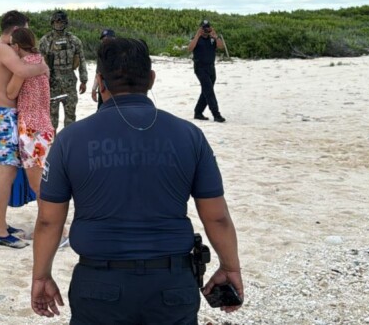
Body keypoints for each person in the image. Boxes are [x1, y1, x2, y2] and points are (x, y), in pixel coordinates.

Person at [31, 37, 243, 323]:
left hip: (98, 284)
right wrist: (230, 267)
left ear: (100, 83)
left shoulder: (70, 140)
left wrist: (41, 275)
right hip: (171, 284)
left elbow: (48, 220)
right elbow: (216, 218)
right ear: (151, 80)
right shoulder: (189, 135)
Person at [0, 10, 49, 249]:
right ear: (17, 29)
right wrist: (43, 65)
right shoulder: (4, 49)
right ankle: (0, 231)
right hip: (3, 117)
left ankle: (1, 225)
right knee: (5, 172)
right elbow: (25, 71)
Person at [5, 27, 54, 200]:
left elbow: (11, 93)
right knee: (46, 180)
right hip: (46, 125)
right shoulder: (42, 62)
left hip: (30, 129)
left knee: (37, 185)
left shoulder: (23, 66)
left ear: (17, 46)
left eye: (11, 45)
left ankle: (53, 225)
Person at [38, 10, 87, 130]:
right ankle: (52, 144)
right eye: (56, 21)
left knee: (70, 116)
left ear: (66, 23)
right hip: (51, 82)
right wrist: (40, 84)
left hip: (70, 82)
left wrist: (84, 80)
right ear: (52, 22)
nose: (58, 24)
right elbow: (38, 63)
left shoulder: (74, 40)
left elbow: (81, 60)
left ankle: (68, 143)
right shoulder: (45, 40)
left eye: (61, 21)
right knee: (51, 117)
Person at [187, 19, 226, 123]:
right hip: (200, 68)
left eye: (207, 28)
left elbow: (221, 47)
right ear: (200, 29)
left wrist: (215, 36)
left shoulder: (212, 39)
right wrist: (197, 35)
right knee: (209, 91)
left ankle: (198, 112)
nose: (206, 30)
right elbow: (190, 49)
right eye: (204, 28)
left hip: (211, 68)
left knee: (206, 90)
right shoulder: (196, 39)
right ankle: (216, 114)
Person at [90, 29, 116, 110]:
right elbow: (98, 73)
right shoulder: (101, 53)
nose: (105, 42)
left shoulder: (121, 53)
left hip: (116, 88)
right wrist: (94, 89)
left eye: (108, 39)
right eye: (104, 40)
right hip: (103, 87)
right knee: (102, 110)